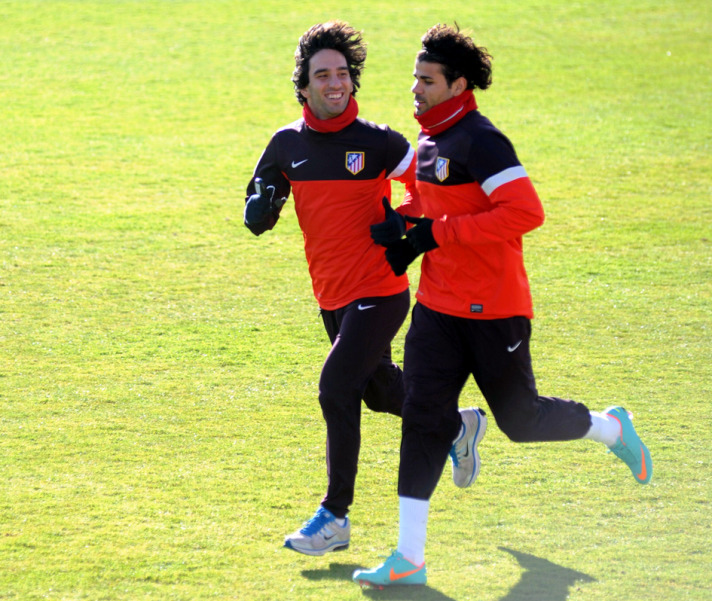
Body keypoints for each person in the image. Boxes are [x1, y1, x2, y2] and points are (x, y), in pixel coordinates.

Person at [353, 24, 652, 588]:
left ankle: (611, 428)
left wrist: (436, 233)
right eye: (414, 78)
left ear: (458, 85)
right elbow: (429, 202)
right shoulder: (429, 140)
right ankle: (409, 557)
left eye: (427, 80)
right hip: (437, 309)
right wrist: (404, 221)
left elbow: (524, 212)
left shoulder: (481, 141)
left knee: (521, 421)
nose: (415, 88)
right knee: (421, 418)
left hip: (494, 312)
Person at [244, 21, 484, 558]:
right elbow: (260, 200)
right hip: (329, 293)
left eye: (342, 73)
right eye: (322, 75)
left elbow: (428, 189)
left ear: (352, 80)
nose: (335, 83)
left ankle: (335, 517)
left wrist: (404, 221)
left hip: (380, 288)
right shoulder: (286, 144)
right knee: (376, 391)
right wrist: (259, 210)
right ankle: (456, 426)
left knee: (336, 386)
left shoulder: (380, 142)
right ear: (303, 85)